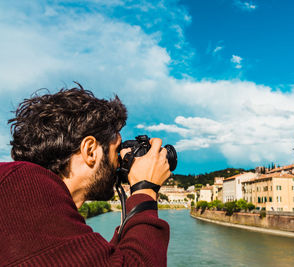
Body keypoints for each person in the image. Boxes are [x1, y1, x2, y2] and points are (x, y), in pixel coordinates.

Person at [0, 85, 171, 266]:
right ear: (90, 150)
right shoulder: (19, 182)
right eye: (116, 150)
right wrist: (146, 189)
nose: (118, 163)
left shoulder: (27, 200)